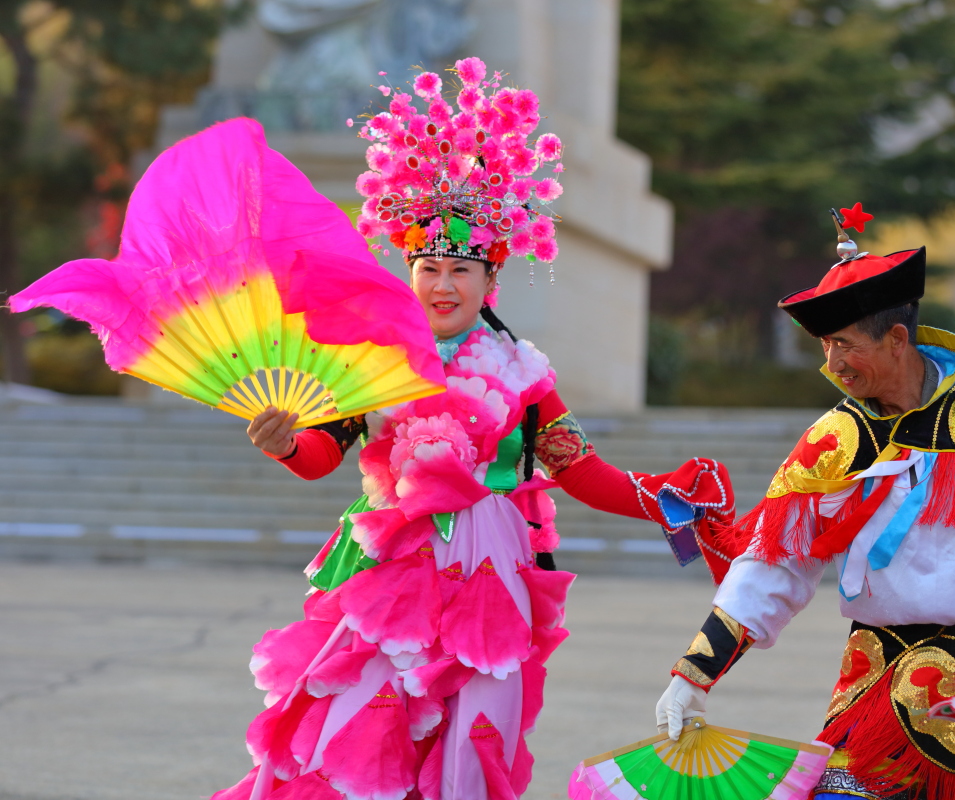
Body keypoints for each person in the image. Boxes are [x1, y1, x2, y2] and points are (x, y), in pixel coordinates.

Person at [213, 60, 735, 800]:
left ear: (492, 281)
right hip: (386, 569)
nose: (443, 284)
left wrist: (669, 497)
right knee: (361, 722)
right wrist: (285, 442)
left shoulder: (523, 372)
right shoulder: (369, 361)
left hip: (492, 573)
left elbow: (580, 471)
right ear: (409, 271)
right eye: (429, 266)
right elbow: (321, 455)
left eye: (462, 269)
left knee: (473, 733)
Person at [653, 206, 955, 800]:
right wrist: (695, 674)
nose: (832, 365)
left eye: (844, 345)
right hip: (883, 677)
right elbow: (773, 563)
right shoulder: (831, 440)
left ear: (896, 339)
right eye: (824, 346)